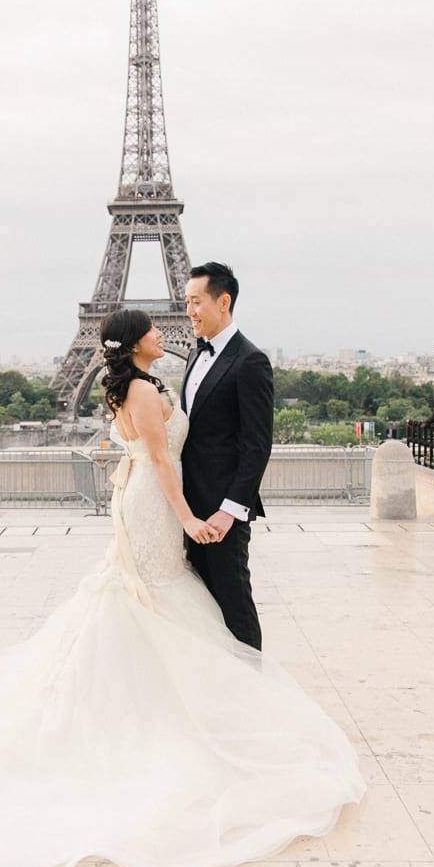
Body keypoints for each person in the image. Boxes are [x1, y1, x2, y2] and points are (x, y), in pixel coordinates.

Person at [0, 308, 364, 867]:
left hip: (147, 500)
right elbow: (160, 458)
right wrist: (188, 517)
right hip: (157, 504)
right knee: (156, 599)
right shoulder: (139, 388)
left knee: (150, 603)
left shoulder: (141, 383)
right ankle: (170, 711)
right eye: (155, 331)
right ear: (134, 343)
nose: (167, 332)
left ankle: (156, 703)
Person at [180, 261, 274, 650]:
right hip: (187, 510)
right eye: (186, 301)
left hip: (221, 516)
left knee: (234, 607)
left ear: (224, 301)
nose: (189, 311)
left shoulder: (250, 361)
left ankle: (255, 693)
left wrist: (229, 510)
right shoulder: (193, 355)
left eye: (196, 301)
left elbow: (257, 445)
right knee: (198, 609)